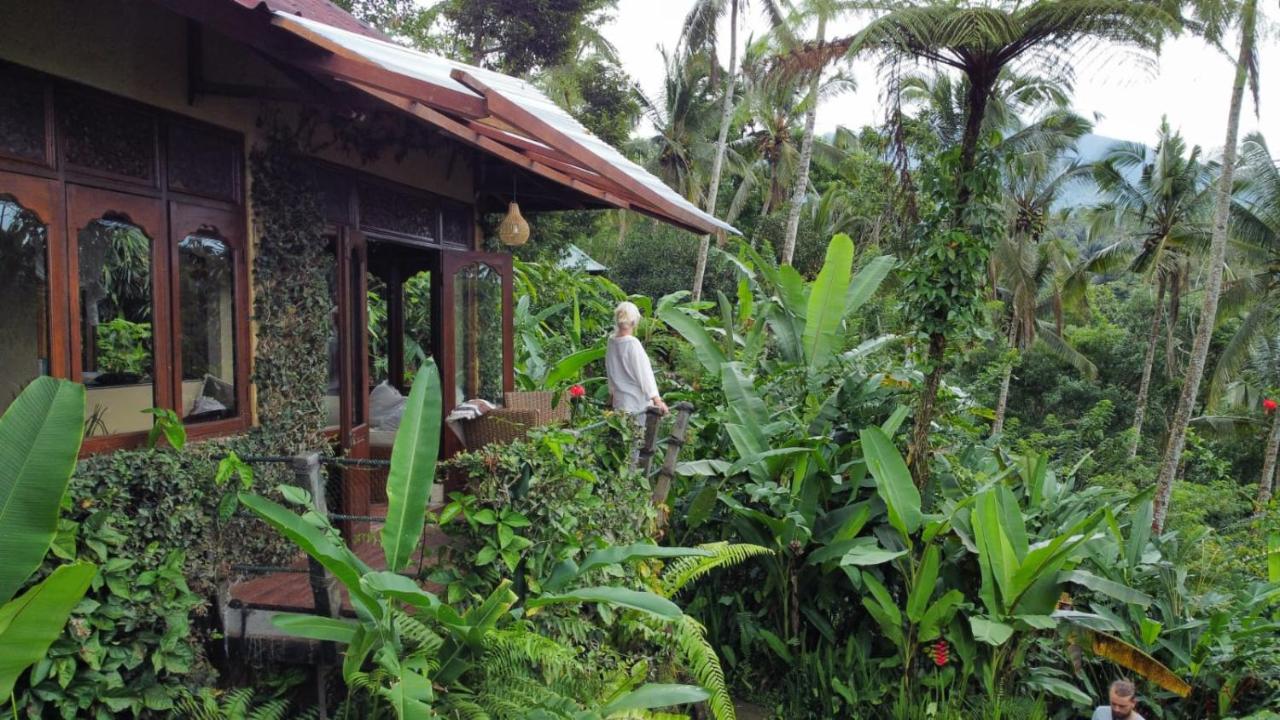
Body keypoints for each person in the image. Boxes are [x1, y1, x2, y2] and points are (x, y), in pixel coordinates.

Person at [605, 301, 668, 417]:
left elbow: (610, 370)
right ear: (634, 322)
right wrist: (657, 400)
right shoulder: (632, 343)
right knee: (639, 434)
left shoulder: (611, 341)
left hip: (619, 402)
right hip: (637, 404)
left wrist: (611, 394)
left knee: (622, 432)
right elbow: (644, 374)